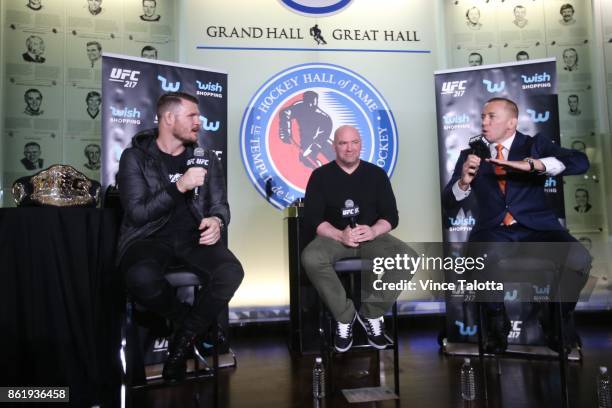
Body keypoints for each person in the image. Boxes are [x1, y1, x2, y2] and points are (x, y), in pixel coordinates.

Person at [442, 97, 591, 354]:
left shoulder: (535, 145)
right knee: (480, 258)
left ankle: (554, 319)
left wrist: (535, 165)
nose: (484, 122)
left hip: (539, 230)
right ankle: (497, 324)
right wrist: (464, 182)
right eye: (483, 117)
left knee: (580, 259)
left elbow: (580, 162)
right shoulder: (470, 155)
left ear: (511, 123)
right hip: (494, 230)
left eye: (491, 117)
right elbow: (448, 203)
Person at [116, 92, 243, 382]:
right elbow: (137, 213)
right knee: (140, 277)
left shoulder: (205, 157)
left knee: (230, 272)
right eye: (192, 116)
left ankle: (182, 339)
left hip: (192, 238)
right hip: (148, 238)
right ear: (169, 118)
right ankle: (189, 322)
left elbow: (220, 203)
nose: (199, 122)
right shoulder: (135, 157)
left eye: (199, 116)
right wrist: (180, 186)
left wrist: (217, 221)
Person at [301, 125, 413, 352]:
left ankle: (372, 314)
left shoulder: (376, 174)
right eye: (343, 143)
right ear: (334, 146)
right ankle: (345, 317)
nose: (349, 148)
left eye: (354, 142)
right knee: (311, 258)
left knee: (408, 258)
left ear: (361, 144)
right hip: (334, 238)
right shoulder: (320, 176)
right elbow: (313, 219)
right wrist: (339, 234)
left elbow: (391, 216)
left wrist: (373, 231)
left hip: (372, 238)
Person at [279, 90, 334, 168]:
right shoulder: (299, 107)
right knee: (306, 159)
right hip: (305, 140)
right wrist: (285, 131)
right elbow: (285, 113)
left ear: (316, 102)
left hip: (322, 140)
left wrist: (308, 151)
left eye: (313, 104)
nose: (310, 106)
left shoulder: (324, 118)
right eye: (308, 103)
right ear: (304, 101)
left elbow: (320, 140)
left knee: (335, 155)